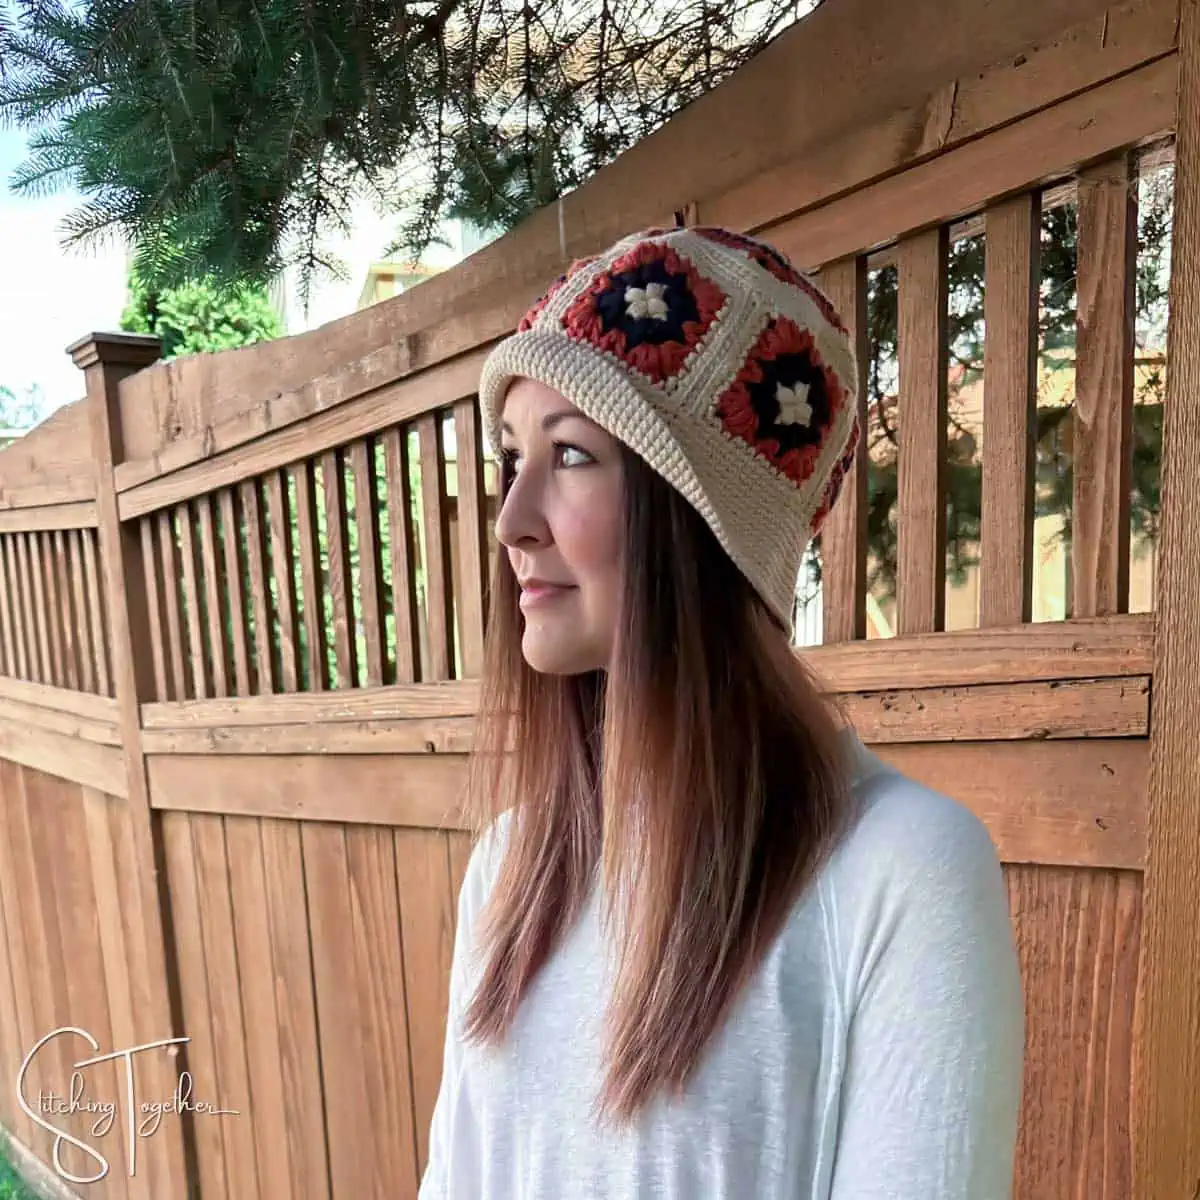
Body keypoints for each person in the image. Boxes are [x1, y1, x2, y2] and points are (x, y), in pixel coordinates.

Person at [417, 225, 1025, 1199]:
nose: (510, 518)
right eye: (509, 457)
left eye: (571, 454)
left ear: (703, 527)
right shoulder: (508, 867)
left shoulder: (901, 872)